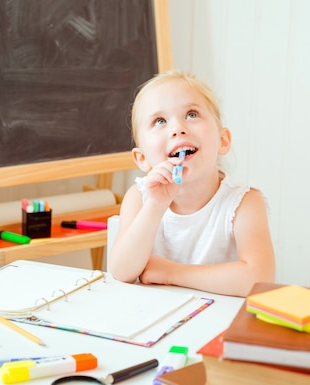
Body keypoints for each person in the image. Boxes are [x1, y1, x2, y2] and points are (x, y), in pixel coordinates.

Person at [109, 70, 275, 297]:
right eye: (160, 121)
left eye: (192, 114)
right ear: (142, 159)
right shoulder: (139, 198)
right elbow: (121, 271)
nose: (178, 128)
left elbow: (259, 279)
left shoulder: (244, 203)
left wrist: (171, 273)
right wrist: (156, 205)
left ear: (223, 141)